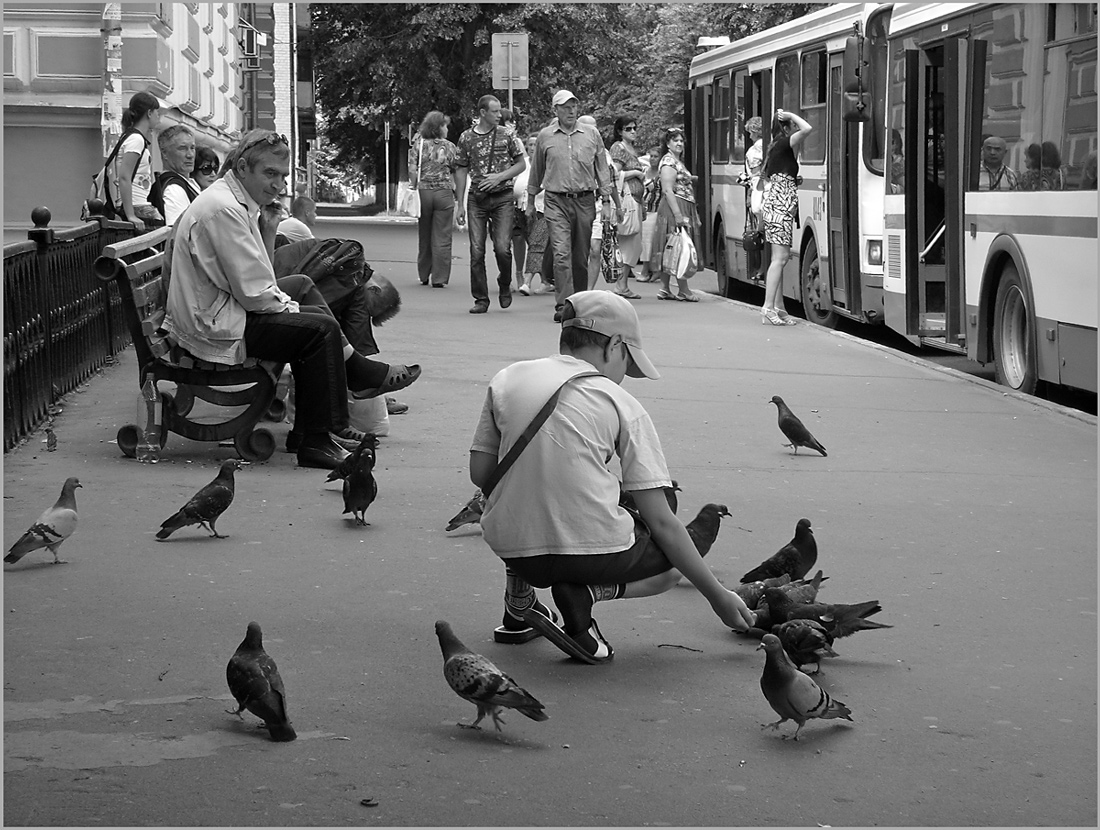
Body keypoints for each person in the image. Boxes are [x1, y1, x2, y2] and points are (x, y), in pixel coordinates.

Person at [468, 290, 757, 660]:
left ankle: (519, 602)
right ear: (615, 345)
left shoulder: (506, 379)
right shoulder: (619, 402)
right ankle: (586, 597)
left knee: (522, 489)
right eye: (628, 362)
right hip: (590, 556)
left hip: (511, 545)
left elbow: (482, 474)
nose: (625, 375)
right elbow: (662, 523)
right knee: (670, 564)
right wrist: (718, 596)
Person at [163, 129, 421, 470]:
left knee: (304, 296)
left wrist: (293, 305)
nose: (278, 184)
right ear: (242, 167)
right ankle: (320, 434)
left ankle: (322, 423)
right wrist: (295, 310)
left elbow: (258, 279)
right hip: (211, 325)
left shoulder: (235, 201)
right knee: (319, 329)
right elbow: (256, 293)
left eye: (283, 176)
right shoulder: (224, 209)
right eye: (270, 174)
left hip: (218, 310)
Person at [527, 90, 618, 322]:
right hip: (556, 200)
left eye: (574, 106)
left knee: (580, 256)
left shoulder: (591, 134)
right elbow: (536, 170)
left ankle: (580, 302)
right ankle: (563, 305)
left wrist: (606, 201)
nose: (570, 110)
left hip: (585, 200)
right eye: (565, 106)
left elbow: (602, 171)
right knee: (561, 254)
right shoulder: (545, 136)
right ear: (555, 110)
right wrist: (530, 200)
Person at [454, 94, 527, 314]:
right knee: (477, 250)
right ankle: (481, 298)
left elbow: (521, 164)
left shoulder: (507, 135)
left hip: (503, 196)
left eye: (499, 111)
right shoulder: (466, 138)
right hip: (477, 198)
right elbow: (460, 169)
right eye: (494, 111)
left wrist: (500, 177)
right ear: (482, 113)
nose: (499, 115)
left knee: (502, 248)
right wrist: (459, 204)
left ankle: (504, 283)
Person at [759, 109, 813, 325]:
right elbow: (807, 129)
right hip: (780, 208)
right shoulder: (784, 143)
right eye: (791, 125)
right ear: (787, 127)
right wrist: (790, 114)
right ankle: (768, 307)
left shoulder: (777, 147)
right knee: (779, 259)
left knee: (779, 259)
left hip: (777, 207)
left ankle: (779, 306)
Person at [648, 126, 701, 303]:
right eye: (675, 140)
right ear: (668, 143)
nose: (679, 143)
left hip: (681, 206)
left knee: (670, 246)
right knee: (680, 246)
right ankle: (683, 290)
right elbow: (668, 190)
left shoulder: (676, 160)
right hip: (674, 207)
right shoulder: (669, 162)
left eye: (681, 140)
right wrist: (678, 215)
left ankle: (665, 288)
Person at [409, 110, 459, 288]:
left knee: (425, 234)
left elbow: (413, 169)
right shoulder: (451, 147)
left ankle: (423, 274)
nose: (447, 129)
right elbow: (456, 170)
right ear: (438, 127)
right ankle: (439, 278)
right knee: (443, 236)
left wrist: (414, 185)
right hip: (444, 193)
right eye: (445, 125)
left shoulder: (419, 145)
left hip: (423, 193)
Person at [111, 91, 162, 230]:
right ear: (149, 113)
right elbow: (124, 177)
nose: (159, 116)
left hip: (137, 204)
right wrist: (131, 215)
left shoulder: (131, 136)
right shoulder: (136, 140)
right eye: (157, 112)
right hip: (137, 205)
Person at [608, 114, 646, 299]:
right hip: (626, 200)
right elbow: (614, 173)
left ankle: (622, 284)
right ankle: (620, 285)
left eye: (634, 128)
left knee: (634, 245)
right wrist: (636, 173)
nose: (632, 132)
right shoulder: (618, 148)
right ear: (619, 131)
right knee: (629, 243)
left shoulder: (632, 148)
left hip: (636, 201)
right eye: (628, 129)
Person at [150, 124, 199, 226]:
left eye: (192, 148)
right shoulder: (174, 189)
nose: (190, 155)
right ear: (164, 153)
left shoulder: (186, 184)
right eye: (182, 148)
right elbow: (177, 234)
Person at [743, 116, 768, 280]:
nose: (749, 136)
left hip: (758, 192)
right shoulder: (767, 145)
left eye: (750, 133)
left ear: (754, 132)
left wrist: (749, 191)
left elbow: (756, 174)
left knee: (758, 233)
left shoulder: (754, 151)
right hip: (767, 191)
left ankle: (760, 268)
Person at [635, 146, 661, 282]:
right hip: (643, 209)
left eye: (656, 156)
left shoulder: (662, 174)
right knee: (644, 241)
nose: (652, 159)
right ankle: (653, 270)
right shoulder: (645, 171)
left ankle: (647, 270)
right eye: (651, 156)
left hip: (655, 210)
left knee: (649, 241)